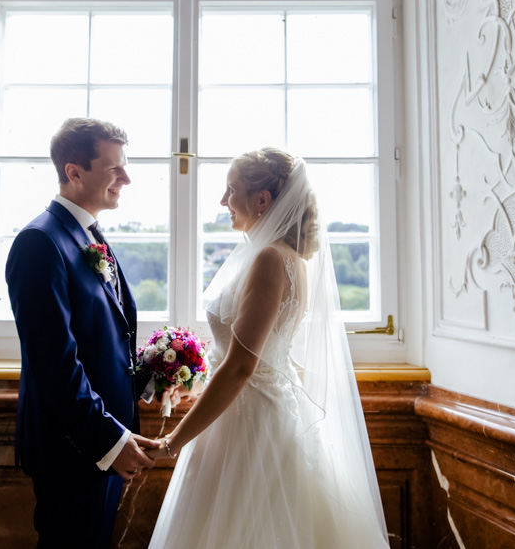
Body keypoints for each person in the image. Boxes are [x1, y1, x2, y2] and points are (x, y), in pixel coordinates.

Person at [146, 147, 391, 548]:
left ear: (262, 199)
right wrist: (194, 383)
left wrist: (173, 442)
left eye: (231, 190)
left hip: (249, 425)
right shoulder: (284, 257)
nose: (223, 201)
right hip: (258, 410)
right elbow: (252, 351)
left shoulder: (269, 259)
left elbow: (242, 366)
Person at [5, 118, 160, 548]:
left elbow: (107, 339)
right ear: (74, 172)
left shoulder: (90, 234)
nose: (126, 178)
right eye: (115, 170)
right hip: (73, 449)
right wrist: (109, 440)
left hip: (106, 447)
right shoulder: (40, 242)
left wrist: (153, 380)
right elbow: (55, 363)